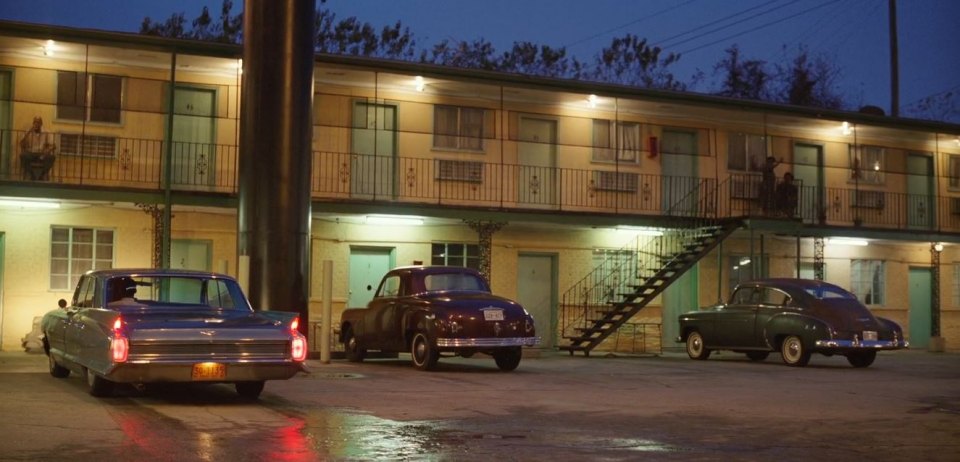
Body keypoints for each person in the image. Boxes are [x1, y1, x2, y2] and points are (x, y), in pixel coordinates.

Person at [19, 116, 56, 181]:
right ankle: (32, 175)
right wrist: (28, 132)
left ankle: (42, 175)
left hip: (42, 153)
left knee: (51, 157)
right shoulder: (28, 132)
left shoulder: (46, 132)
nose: (36, 124)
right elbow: (22, 144)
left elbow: (53, 146)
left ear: (41, 124)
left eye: (38, 122)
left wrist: (45, 153)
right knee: (23, 156)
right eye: (35, 122)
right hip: (31, 153)